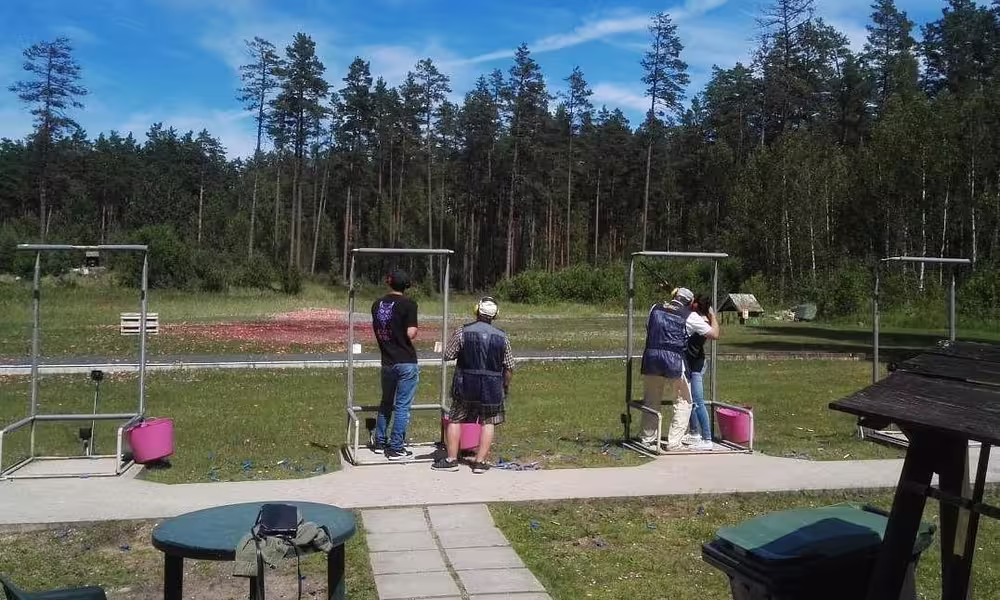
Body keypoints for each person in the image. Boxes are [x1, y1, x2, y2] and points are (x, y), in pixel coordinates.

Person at [432, 296, 514, 474]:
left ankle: (452, 459)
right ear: (495, 315)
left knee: (455, 419)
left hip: (465, 384)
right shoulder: (503, 337)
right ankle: (480, 462)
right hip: (492, 386)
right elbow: (508, 367)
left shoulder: (463, 332)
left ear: (476, 310)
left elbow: (448, 355)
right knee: (488, 422)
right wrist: (505, 386)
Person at [639, 287, 719, 451]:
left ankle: (647, 438)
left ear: (675, 296)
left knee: (651, 400)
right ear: (690, 302)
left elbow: (649, 328)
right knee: (684, 401)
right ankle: (674, 442)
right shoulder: (691, 315)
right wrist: (712, 315)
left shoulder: (654, 308)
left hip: (651, 357)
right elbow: (714, 334)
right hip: (675, 361)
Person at [370, 269, 419, 460]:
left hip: (387, 361)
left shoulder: (377, 304)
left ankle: (380, 441)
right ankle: (396, 447)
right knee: (402, 406)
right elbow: (410, 333)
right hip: (406, 361)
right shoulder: (409, 304)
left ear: (389, 283)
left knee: (386, 402)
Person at [682, 294, 719, 451]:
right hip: (691, 363)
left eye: (694, 302)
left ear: (697, 305)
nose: (691, 303)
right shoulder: (698, 317)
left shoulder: (701, 320)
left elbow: (715, 333)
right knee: (689, 399)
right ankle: (694, 432)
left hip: (696, 364)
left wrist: (712, 315)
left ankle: (707, 438)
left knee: (698, 401)